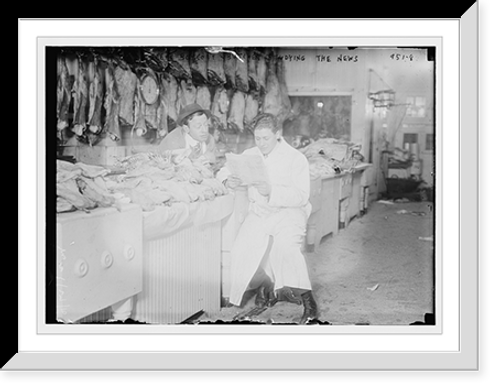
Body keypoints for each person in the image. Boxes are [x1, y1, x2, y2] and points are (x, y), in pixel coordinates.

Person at [220, 113, 318, 324]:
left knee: (286, 250)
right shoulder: (250, 153)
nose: (261, 143)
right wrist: (228, 180)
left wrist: (272, 191)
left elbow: (301, 196)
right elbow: (224, 169)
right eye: (258, 138)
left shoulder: (295, 158)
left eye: (266, 138)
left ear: (278, 134)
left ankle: (309, 303)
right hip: (260, 212)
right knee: (240, 251)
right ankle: (268, 284)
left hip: (288, 213)